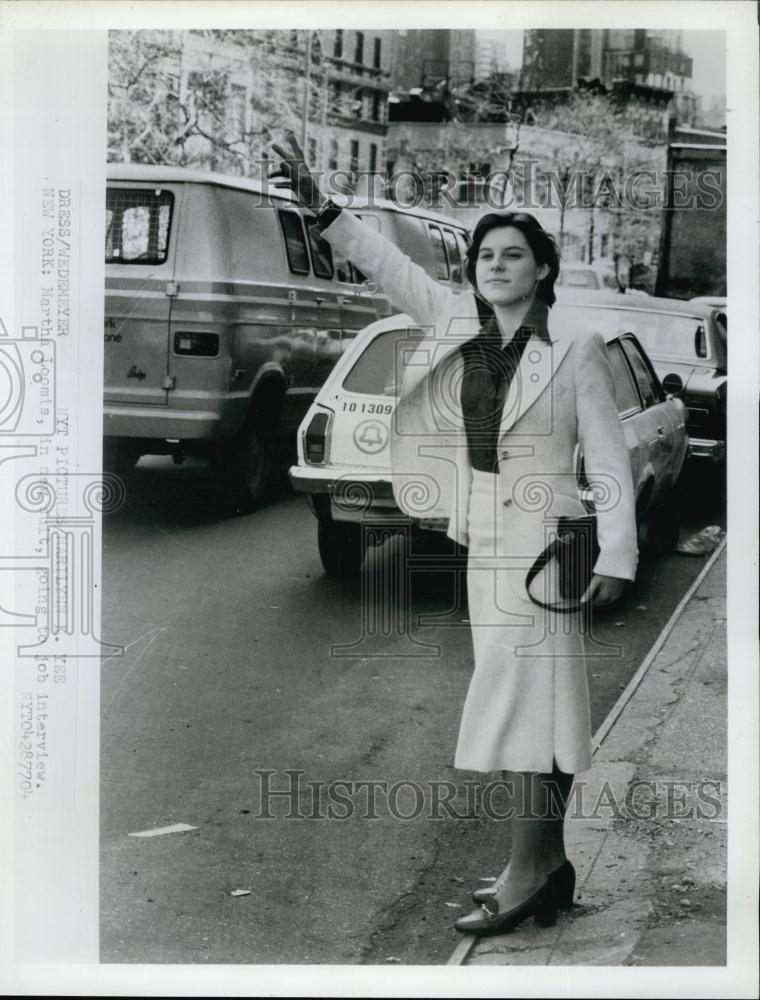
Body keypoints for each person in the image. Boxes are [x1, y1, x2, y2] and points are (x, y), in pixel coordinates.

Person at [270, 135, 638, 936]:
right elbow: (390, 266)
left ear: (542, 269)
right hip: (489, 550)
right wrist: (321, 206)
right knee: (534, 707)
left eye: (512, 256)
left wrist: (618, 552)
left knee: (523, 705)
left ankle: (528, 869)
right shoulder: (456, 325)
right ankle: (546, 863)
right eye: (484, 256)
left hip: (549, 550)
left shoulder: (574, 349)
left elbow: (608, 455)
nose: (494, 266)